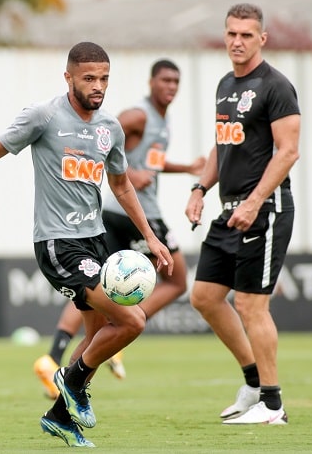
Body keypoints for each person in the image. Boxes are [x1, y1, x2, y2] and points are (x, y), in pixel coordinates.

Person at [0, 42, 173, 447]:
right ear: (68, 78)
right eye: (89, 78)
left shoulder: (110, 129)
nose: (98, 86)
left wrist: (151, 236)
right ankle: (68, 378)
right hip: (57, 244)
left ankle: (61, 416)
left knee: (96, 336)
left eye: (104, 78)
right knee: (133, 320)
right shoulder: (43, 116)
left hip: (96, 240)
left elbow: (121, 184)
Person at [34, 59, 206, 399]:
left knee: (94, 286)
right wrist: (127, 175)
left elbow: (145, 160)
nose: (170, 87)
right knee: (176, 279)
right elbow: (105, 141)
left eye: (176, 81)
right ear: (151, 82)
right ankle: (120, 330)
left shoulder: (161, 120)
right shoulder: (137, 115)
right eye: (165, 80)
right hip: (130, 212)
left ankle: (55, 356)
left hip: (108, 216)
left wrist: (184, 167)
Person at [185, 3, 300, 425]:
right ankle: (253, 383)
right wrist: (200, 187)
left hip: (265, 210)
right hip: (229, 211)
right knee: (205, 297)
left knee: (251, 305)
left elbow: (288, 151)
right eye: (231, 33)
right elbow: (223, 145)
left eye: (246, 35)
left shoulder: (276, 86)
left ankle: (273, 406)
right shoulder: (224, 85)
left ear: (262, 39)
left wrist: (254, 201)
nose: (237, 41)